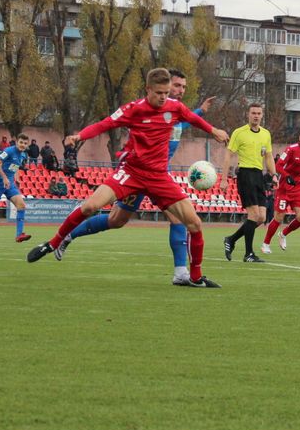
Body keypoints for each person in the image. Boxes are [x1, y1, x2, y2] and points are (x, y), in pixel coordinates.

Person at [26, 68, 229, 290]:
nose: (164, 97)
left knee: (194, 223)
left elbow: (192, 119)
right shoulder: (133, 109)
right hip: (131, 172)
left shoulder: (175, 108)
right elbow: (104, 124)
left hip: (159, 177)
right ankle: (54, 242)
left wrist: (214, 130)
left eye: (166, 92)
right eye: (160, 92)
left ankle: (194, 276)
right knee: (91, 207)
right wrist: (79, 135)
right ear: (148, 89)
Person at [59, 88, 217, 287]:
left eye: (183, 87)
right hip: (138, 173)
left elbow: (187, 120)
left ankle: (181, 272)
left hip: (160, 178)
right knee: (117, 220)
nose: (180, 90)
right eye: (176, 86)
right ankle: (70, 234)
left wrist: (201, 111)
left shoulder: (175, 116)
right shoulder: (151, 113)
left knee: (178, 218)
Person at [221, 103, 277, 263]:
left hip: (259, 175)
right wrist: (224, 179)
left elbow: (268, 157)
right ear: (248, 114)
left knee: (261, 217)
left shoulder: (266, 134)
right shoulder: (239, 133)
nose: (256, 116)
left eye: (259, 113)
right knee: (253, 215)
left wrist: (274, 175)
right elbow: (228, 156)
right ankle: (249, 254)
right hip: (245, 175)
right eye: (253, 113)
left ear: (262, 115)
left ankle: (231, 239)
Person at [261, 127, 300, 254]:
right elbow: (278, 166)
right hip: (285, 189)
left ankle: (283, 234)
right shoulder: (291, 149)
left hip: (298, 189)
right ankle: (265, 243)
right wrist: (287, 176)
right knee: (279, 217)